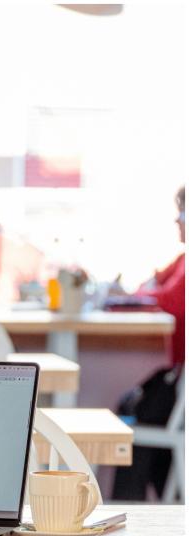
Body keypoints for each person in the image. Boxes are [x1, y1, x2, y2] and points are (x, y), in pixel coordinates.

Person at [112, 186, 185, 500]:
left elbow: (170, 299)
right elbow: (155, 282)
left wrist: (131, 296)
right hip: (177, 381)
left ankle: (131, 502)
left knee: (135, 410)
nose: (177, 221)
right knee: (133, 405)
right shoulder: (182, 259)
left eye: (181, 213)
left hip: (180, 384)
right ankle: (140, 499)